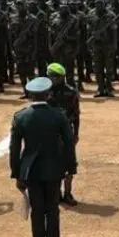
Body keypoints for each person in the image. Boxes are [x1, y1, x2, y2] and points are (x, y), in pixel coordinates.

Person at [10, 77, 77, 237]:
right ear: (48, 94)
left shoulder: (21, 116)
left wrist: (17, 174)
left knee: (37, 212)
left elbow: (14, 149)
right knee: (52, 211)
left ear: (30, 95)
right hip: (54, 169)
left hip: (31, 171)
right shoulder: (58, 115)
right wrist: (71, 168)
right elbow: (68, 144)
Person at [45, 63, 81, 206]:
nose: (54, 78)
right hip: (50, 133)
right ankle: (57, 193)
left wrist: (76, 133)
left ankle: (68, 193)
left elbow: (76, 114)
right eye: (52, 76)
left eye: (57, 76)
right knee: (53, 164)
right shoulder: (45, 92)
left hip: (66, 132)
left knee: (70, 164)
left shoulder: (71, 92)